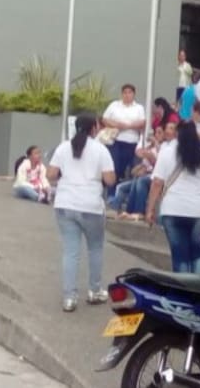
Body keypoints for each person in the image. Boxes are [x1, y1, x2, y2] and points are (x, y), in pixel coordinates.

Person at [48, 114, 115, 312]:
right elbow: (110, 179)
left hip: (65, 203)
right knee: (95, 248)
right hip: (90, 205)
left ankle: (69, 298)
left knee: (71, 251)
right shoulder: (101, 150)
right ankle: (94, 291)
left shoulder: (63, 147)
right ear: (94, 128)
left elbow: (50, 174)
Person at [146, 121, 200, 275]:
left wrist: (150, 209)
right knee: (199, 255)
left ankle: (182, 289)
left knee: (179, 255)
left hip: (172, 210)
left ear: (177, 134)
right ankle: (199, 287)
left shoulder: (166, 153)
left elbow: (157, 183)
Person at [102, 84, 147, 183]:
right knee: (115, 167)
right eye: (125, 93)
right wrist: (117, 125)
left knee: (131, 169)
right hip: (115, 141)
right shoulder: (114, 105)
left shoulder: (139, 108)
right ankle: (112, 190)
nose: (127, 95)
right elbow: (105, 119)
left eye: (129, 92)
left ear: (134, 94)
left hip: (132, 142)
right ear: (122, 94)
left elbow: (142, 123)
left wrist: (127, 126)